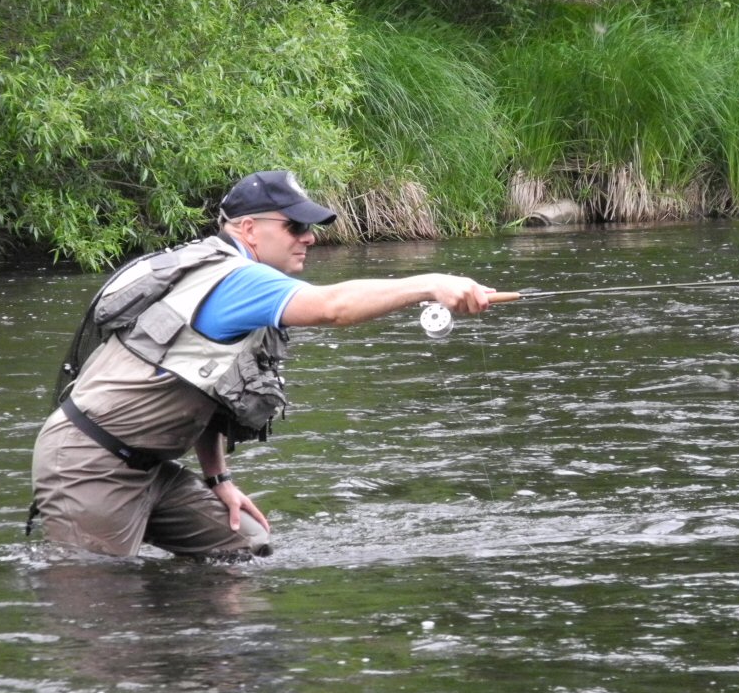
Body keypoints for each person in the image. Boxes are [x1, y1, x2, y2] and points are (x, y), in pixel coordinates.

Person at [30, 170, 494, 559]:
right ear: (249, 229)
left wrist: (219, 479)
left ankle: (201, 640)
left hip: (148, 468)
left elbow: (211, 389)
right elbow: (333, 308)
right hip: (90, 464)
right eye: (295, 226)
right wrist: (430, 283)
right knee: (102, 603)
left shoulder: (231, 276)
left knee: (243, 546)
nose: (309, 237)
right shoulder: (237, 281)